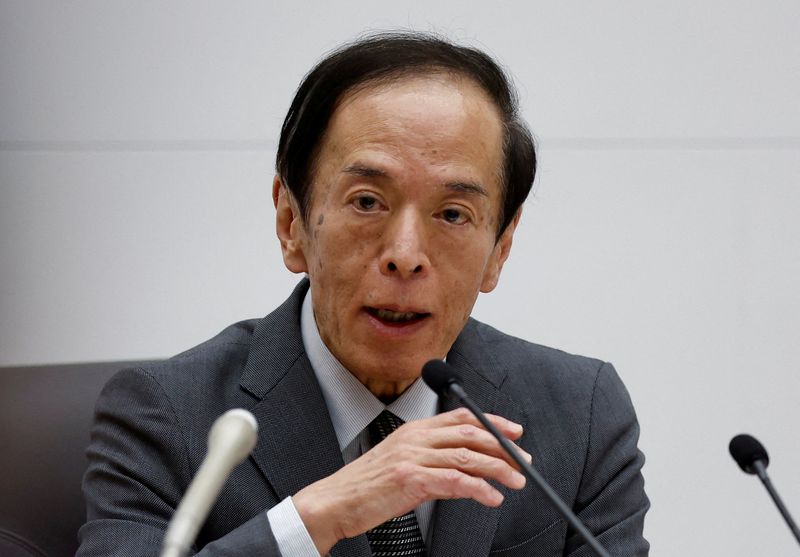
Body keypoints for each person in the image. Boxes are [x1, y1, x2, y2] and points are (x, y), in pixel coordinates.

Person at [78, 32, 649, 556]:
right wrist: (321, 515)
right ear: (290, 222)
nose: (405, 254)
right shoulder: (167, 416)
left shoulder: (580, 413)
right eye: (367, 202)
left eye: (453, 213)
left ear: (499, 248)